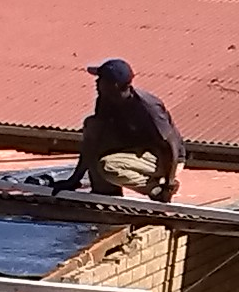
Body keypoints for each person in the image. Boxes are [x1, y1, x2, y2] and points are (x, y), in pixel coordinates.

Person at [59, 58, 183, 201]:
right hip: (135, 148)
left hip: (165, 158)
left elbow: (171, 145)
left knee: (108, 166)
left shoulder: (148, 107)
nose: (96, 82)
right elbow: (93, 141)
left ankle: (155, 190)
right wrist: (74, 179)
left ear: (114, 85)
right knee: (93, 126)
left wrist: (169, 182)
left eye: (101, 79)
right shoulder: (105, 100)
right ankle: (106, 196)